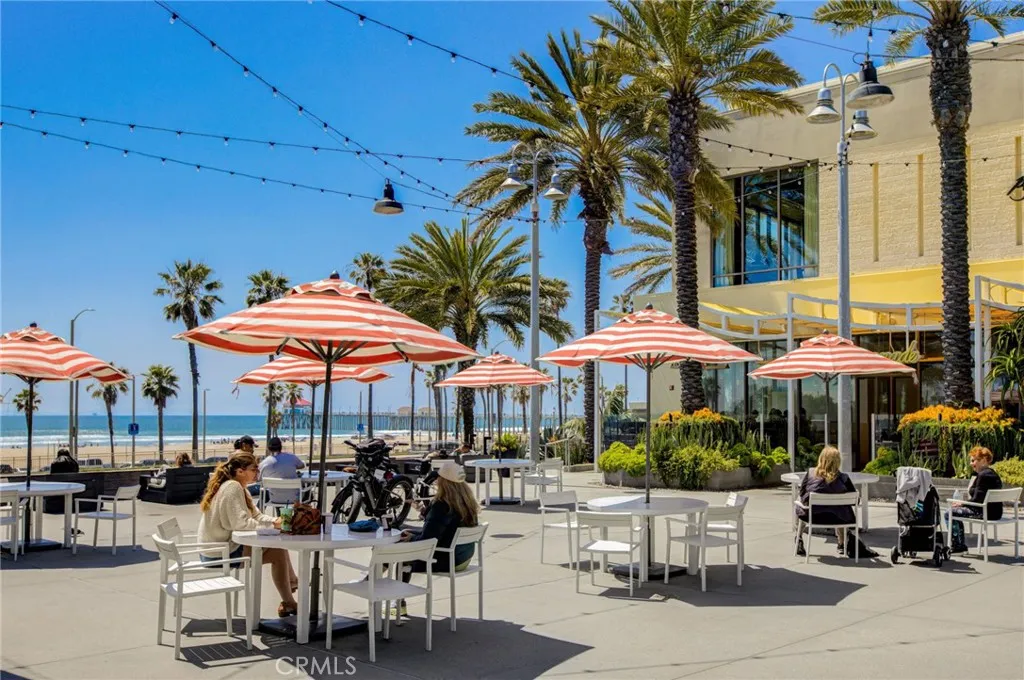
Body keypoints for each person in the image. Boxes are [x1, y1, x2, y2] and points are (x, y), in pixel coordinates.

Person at [197, 453, 299, 617]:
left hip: (215, 548)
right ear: (240, 471)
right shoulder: (233, 488)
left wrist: (275, 521)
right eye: (254, 469)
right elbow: (241, 524)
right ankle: (290, 595)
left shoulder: (238, 487)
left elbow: (256, 516)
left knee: (278, 547)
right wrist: (273, 526)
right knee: (278, 551)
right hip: (219, 553)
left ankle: (290, 595)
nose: (257, 473)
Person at [392, 462, 480, 618]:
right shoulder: (466, 502)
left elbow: (428, 539)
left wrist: (412, 538)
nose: (436, 481)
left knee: (400, 552)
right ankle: (373, 582)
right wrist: (423, 512)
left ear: (443, 481)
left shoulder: (441, 505)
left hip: (447, 558)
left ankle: (396, 601)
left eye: (438, 478)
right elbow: (446, 527)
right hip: (463, 557)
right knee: (405, 535)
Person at [795, 446, 876, 558]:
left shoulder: (810, 473)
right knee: (839, 508)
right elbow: (855, 501)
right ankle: (841, 543)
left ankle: (798, 537)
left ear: (821, 458)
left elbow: (802, 493)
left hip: (812, 517)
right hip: (838, 519)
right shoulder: (844, 478)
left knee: (800, 500)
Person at [948, 446, 1003, 553]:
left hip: (984, 512)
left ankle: (959, 546)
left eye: (973, 461)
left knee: (949, 512)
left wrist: (962, 504)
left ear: (983, 460)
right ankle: (959, 544)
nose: (971, 463)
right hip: (995, 512)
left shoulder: (983, 476)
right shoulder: (994, 474)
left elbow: (977, 500)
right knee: (954, 510)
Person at [259, 436, 306, 505]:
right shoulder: (291, 457)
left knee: (267, 492)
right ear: (281, 447)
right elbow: (302, 465)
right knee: (308, 491)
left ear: (268, 448)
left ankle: (278, 512)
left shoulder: (265, 462)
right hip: (295, 499)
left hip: (274, 498)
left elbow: (259, 478)